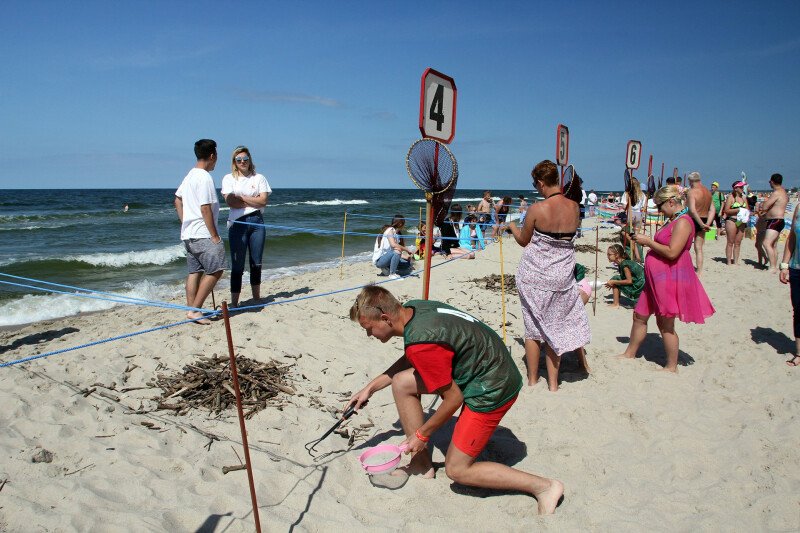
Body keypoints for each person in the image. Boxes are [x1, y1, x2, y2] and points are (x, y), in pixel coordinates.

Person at [347, 286, 564, 514]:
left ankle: (545, 487)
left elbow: (453, 399)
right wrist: (370, 388)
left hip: (492, 387)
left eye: (368, 328)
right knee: (401, 382)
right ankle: (421, 465)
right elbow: (414, 355)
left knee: (457, 470)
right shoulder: (414, 308)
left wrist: (422, 434)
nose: (369, 335)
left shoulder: (421, 342)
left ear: (384, 318)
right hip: (489, 366)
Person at [508, 160, 591, 392]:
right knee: (556, 327)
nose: (536, 188)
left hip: (534, 275)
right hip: (562, 275)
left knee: (533, 329)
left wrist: (512, 227)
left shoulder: (537, 209)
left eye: (536, 185)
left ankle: (533, 379)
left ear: (542, 183)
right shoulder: (574, 207)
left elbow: (524, 241)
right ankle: (553, 384)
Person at [620, 186, 715, 371]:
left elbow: (672, 252)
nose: (659, 210)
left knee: (665, 323)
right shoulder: (673, 220)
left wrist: (648, 242)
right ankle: (629, 353)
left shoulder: (683, 222)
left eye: (660, 205)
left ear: (671, 202)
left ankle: (671, 366)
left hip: (669, 277)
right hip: (655, 279)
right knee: (639, 315)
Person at [174, 139, 226, 324]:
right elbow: (205, 208)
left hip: (189, 233)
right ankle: (195, 311)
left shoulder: (189, 175)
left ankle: (192, 311)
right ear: (212, 156)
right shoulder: (204, 177)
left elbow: (177, 200)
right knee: (216, 270)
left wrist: (185, 222)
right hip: (202, 233)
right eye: (216, 156)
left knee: (194, 272)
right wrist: (214, 235)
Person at [221, 146, 271, 306]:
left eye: (245, 159)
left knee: (256, 262)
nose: (242, 162)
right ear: (234, 162)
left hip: (257, 222)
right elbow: (230, 201)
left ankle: (256, 298)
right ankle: (234, 302)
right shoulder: (229, 178)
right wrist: (251, 198)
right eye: (239, 160)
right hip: (237, 224)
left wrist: (241, 197)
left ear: (250, 160)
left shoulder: (259, 178)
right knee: (237, 265)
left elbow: (263, 201)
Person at [778, 201, 800, 367]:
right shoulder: (799, 207)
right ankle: (799, 353)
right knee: (798, 310)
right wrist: (785, 264)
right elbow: (791, 237)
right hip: (796, 267)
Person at [758, 173, 789, 273]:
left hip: (775, 221)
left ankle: (772, 267)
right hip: (778, 220)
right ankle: (774, 265)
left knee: (766, 243)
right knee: (773, 245)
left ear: (772, 181)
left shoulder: (777, 193)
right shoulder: (783, 192)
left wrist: (763, 205)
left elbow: (765, 206)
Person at [685, 172, 715, 275]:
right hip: (705, 219)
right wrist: (707, 223)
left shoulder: (692, 192)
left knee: (685, 246)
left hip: (693, 220)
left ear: (691, 181)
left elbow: (692, 210)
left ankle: (685, 267)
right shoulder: (707, 192)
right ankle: (700, 270)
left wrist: (701, 224)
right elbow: (712, 210)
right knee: (699, 247)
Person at [372, 215, 413, 279]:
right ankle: (392, 274)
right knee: (397, 250)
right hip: (380, 261)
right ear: (400, 224)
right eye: (404, 223)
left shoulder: (396, 234)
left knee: (407, 264)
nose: (404, 225)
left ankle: (387, 269)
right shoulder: (390, 230)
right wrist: (406, 249)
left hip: (388, 257)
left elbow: (394, 253)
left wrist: (407, 257)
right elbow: (393, 245)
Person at [723, 181, 748, 265]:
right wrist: (738, 210)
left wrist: (746, 213)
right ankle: (729, 261)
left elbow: (747, 209)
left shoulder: (744, 197)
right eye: (740, 187)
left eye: (742, 187)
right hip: (732, 220)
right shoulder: (731, 197)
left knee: (738, 242)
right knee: (730, 242)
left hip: (741, 221)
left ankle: (736, 261)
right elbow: (726, 210)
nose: (742, 189)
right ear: (735, 188)